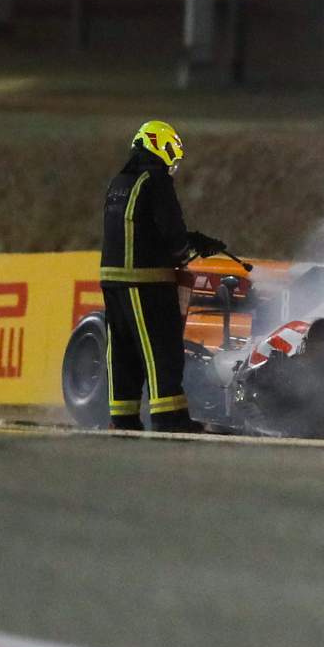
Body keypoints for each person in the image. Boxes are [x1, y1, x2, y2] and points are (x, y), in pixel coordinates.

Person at [100, 121, 226, 431]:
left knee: (122, 350)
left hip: (112, 279)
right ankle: (169, 416)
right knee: (161, 348)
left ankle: (123, 416)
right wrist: (187, 248)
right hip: (147, 280)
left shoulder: (119, 182)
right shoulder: (155, 179)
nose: (172, 165)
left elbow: (142, 227)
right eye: (172, 154)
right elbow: (170, 226)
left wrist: (191, 238)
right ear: (159, 146)